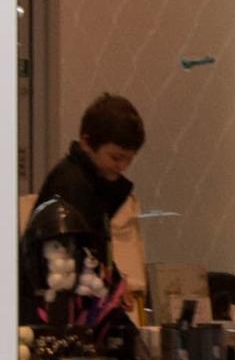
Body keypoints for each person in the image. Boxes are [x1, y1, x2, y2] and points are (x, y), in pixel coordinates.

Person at [25, 93, 149, 334]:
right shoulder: (72, 187)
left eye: (129, 159)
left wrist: (114, 280)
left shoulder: (89, 183)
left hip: (69, 301)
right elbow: (70, 264)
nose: (122, 166)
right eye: (116, 157)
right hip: (57, 311)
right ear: (86, 143)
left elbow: (92, 250)